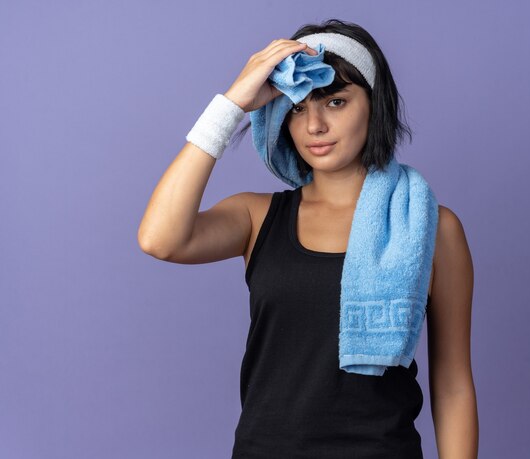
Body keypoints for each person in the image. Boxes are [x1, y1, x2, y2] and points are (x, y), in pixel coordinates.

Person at [138, 18, 478, 459]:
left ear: (375, 106)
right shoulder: (256, 216)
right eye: (298, 107)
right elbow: (159, 239)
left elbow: (452, 385)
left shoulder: (431, 225)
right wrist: (234, 103)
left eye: (336, 101)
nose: (314, 125)